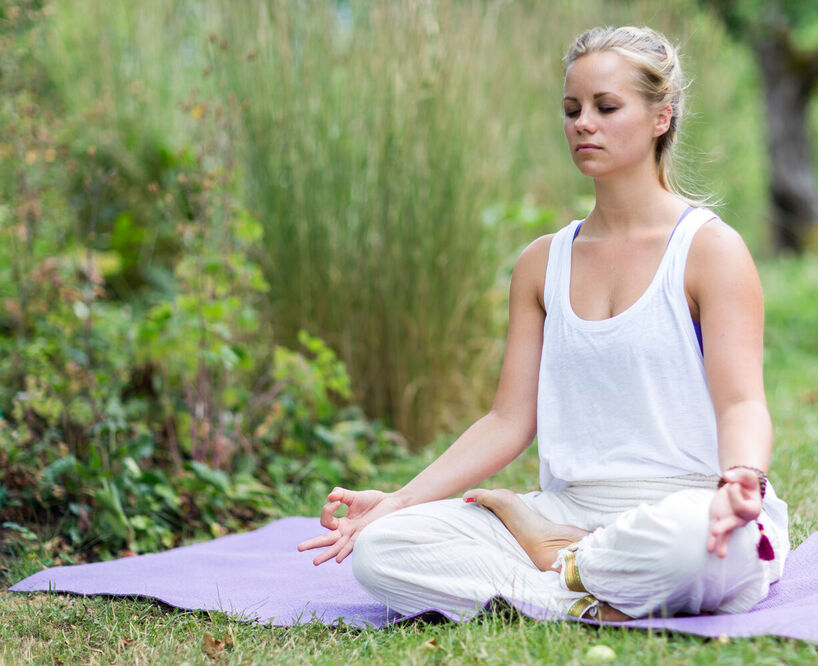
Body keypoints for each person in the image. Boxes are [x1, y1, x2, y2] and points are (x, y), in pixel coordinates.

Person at [297, 25, 789, 621]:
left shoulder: (711, 249)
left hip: (685, 508)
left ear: (662, 117)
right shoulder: (541, 263)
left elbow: (742, 403)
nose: (584, 123)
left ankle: (562, 573)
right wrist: (399, 501)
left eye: (607, 107)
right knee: (382, 550)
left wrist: (741, 479)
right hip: (568, 505)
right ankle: (590, 589)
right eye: (571, 109)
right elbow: (508, 420)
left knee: (710, 548)